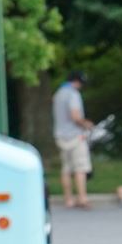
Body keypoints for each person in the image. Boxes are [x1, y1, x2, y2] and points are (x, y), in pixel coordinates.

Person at [52, 70, 93, 210]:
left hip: (61, 136)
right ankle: (82, 198)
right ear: (76, 81)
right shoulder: (73, 94)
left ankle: (68, 199)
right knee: (80, 168)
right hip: (75, 136)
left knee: (66, 169)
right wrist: (87, 124)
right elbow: (75, 116)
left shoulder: (58, 94)